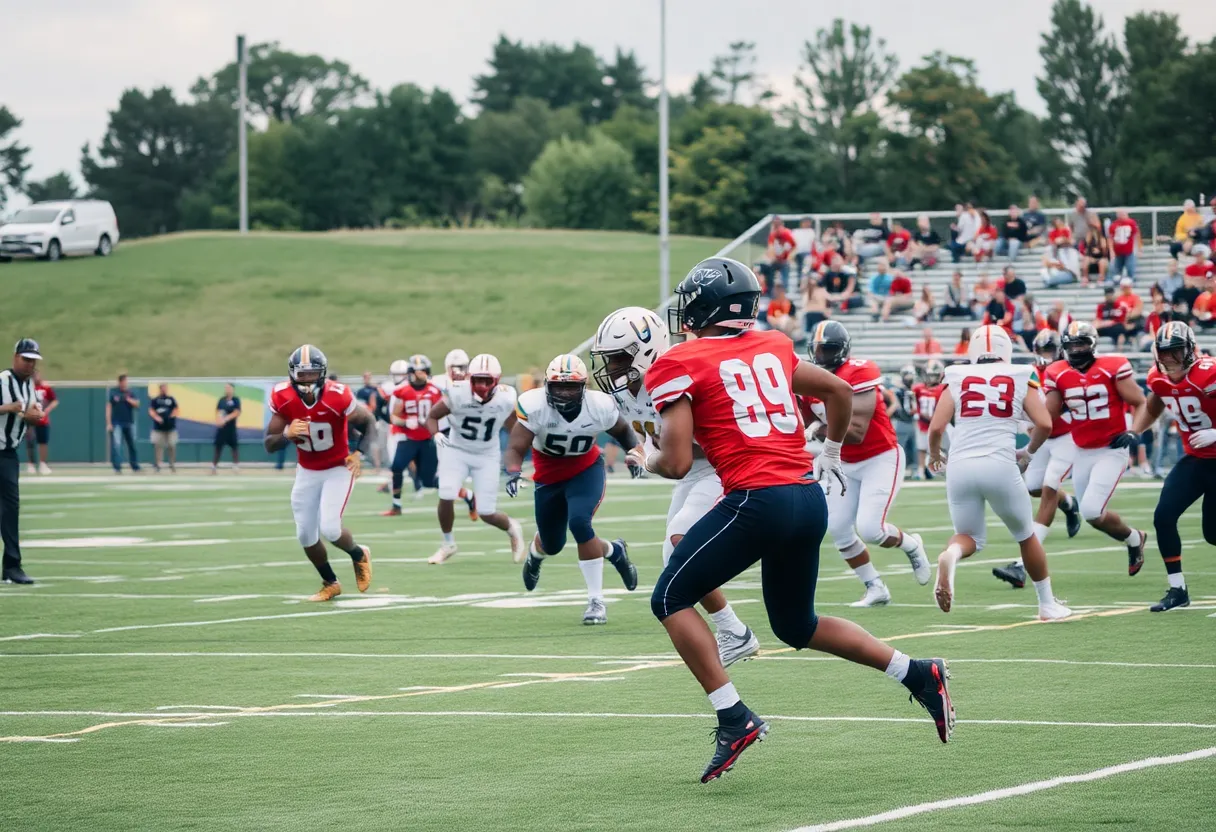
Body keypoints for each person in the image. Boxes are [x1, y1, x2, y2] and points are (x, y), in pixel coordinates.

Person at [636, 259, 952, 783]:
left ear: (704, 306)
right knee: (795, 625)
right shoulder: (776, 344)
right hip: (807, 498)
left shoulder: (679, 360)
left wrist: (644, 457)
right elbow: (839, 392)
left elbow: (672, 462)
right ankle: (917, 673)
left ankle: (733, 716)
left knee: (669, 598)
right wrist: (828, 450)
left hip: (757, 500)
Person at [592, 306, 758, 665]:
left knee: (681, 540)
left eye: (619, 358)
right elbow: (649, 434)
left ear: (645, 350)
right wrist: (650, 448)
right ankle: (735, 631)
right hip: (690, 472)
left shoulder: (678, 373)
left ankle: (734, 631)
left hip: (719, 466)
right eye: (609, 359)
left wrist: (657, 455)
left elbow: (700, 442)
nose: (612, 368)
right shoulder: (625, 392)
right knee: (673, 558)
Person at [927, 326, 1072, 620]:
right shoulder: (1022, 374)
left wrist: (934, 456)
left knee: (968, 537)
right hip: (999, 463)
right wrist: (1029, 453)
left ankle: (951, 555)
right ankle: (1047, 605)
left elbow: (936, 428)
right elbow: (1044, 424)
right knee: (1026, 535)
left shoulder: (955, 374)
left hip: (960, 465)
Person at [505, 354, 641, 625]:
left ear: (584, 387)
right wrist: (512, 471)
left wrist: (635, 452)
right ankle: (612, 551)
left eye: (571, 387)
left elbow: (624, 432)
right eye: (559, 387)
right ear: (547, 386)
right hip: (548, 474)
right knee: (552, 544)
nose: (565, 393)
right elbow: (516, 446)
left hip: (584, 469)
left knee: (580, 524)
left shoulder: (598, 406)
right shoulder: (535, 405)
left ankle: (596, 601)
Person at [805, 321, 931, 606]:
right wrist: (812, 429)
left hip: (879, 457)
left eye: (829, 349)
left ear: (843, 351)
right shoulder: (808, 381)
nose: (823, 356)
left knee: (871, 529)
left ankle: (912, 545)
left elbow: (857, 431)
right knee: (837, 528)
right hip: (844, 462)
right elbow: (806, 420)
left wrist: (818, 430)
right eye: (819, 350)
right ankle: (875, 587)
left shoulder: (858, 373)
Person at [264, 345, 375, 602]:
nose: (307, 380)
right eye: (301, 374)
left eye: (312, 374)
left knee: (331, 529)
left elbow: (368, 422)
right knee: (305, 534)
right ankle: (330, 582)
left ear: (322, 373)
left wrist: (358, 453)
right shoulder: (283, 396)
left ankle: (358, 554)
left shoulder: (339, 396)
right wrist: (286, 435)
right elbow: (269, 444)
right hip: (307, 470)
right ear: (292, 374)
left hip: (338, 467)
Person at [1042, 322, 1148, 575]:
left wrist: (1134, 431)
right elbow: (1048, 415)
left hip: (1111, 449)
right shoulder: (1057, 372)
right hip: (1081, 451)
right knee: (1090, 516)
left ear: (1093, 344)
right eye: (1072, 345)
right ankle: (1135, 538)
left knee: (1090, 509)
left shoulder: (1112, 367)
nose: (1077, 349)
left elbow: (1141, 402)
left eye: (1082, 344)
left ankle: (1134, 539)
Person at [1132, 323, 1216, 611]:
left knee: (1213, 534)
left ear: (1190, 351)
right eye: (1164, 353)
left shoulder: (1209, 373)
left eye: (1175, 352)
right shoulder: (1158, 377)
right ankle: (1178, 589)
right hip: (1196, 459)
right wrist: (1135, 431)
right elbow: (1154, 403)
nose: (1169, 359)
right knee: (1163, 516)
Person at [424, 353, 526, 565]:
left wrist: (521, 449)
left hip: (487, 454)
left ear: (496, 380)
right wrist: (436, 434)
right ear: (469, 378)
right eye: (476, 379)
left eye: (486, 380)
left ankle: (512, 528)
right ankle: (448, 543)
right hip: (456, 450)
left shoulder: (506, 398)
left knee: (486, 512)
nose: (480, 385)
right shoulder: (457, 393)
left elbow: (514, 427)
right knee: (446, 494)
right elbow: (433, 416)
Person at [1, 339, 44, 585]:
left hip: (7, 454)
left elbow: (31, 416)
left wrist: (34, 416)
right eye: (26, 359)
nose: (29, 365)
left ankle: (12, 565)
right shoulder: (2, 381)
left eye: (33, 361)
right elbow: (12, 409)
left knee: (10, 509)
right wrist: (8, 407)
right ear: (15, 357)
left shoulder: (29, 386)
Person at [384, 355, 444, 513]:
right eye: (417, 371)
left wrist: (434, 427)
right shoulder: (402, 391)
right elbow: (393, 417)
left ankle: (466, 495)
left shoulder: (435, 391)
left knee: (430, 481)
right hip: (408, 438)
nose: (420, 374)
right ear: (410, 372)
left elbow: (443, 415)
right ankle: (396, 505)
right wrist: (405, 422)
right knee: (396, 467)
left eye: (423, 371)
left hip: (427, 439)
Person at [913, 359, 947, 480]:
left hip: (938, 422)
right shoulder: (918, 388)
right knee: (921, 448)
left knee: (940, 447)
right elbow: (914, 404)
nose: (931, 378)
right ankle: (921, 470)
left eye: (933, 375)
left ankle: (938, 470)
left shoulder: (943, 389)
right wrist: (918, 412)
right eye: (929, 375)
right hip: (923, 423)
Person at [106, 374, 141, 473]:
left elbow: (137, 404)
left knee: (132, 445)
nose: (125, 383)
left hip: (129, 422)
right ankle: (117, 467)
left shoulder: (131, 392)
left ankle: (135, 466)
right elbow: (108, 407)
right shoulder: (113, 392)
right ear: (120, 382)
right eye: (124, 381)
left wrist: (128, 399)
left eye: (126, 381)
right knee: (117, 445)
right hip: (116, 422)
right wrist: (109, 423)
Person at [24, 371, 55, 475]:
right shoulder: (27, 388)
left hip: (43, 419)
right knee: (30, 441)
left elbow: (54, 400)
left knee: (43, 442)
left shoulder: (45, 387)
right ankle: (31, 464)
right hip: (30, 419)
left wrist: (47, 410)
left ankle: (43, 464)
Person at [148, 383, 180, 473]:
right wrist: (157, 418)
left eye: (166, 388)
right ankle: (158, 465)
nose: (164, 390)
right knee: (158, 446)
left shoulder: (171, 399)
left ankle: (172, 464)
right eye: (163, 388)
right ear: (160, 389)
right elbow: (151, 410)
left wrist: (172, 415)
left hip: (170, 428)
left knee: (172, 445)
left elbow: (176, 409)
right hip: (158, 428)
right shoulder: (155, 400)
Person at [212, 383, 241, 473]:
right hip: (222, 429)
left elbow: (237, 412)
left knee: (234, 447)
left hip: (231, 428)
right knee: (218, 447)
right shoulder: (222, 400)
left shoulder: (236, 400)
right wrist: (219, 420)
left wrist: (226, 419)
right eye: (226, 388)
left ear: (232, 389)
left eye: (229, 388)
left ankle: (236, 466)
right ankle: (214, 467)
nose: (227, 389)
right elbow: (218, 411)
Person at [1107, 209, 1141, 281]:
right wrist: (1111, 251)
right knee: (1116, 270)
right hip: (1118, 252)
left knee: (1130, 268)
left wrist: (1138, 249)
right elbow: (1110, 239)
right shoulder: (1113, 225)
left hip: (1129, 251)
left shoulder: (1131, 223)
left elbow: (1137, 235)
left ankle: (1131, 283)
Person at [1114, 277, 1144, 349]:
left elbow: (1138, 311)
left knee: (1140, 322)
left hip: (1132, 320)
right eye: (1124, 287)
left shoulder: (1135, 297)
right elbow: (1116, 312)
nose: (1125, 289)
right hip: (1122, 322)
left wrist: (1127, 316)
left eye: (1127, 287)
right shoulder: (1118, 298)